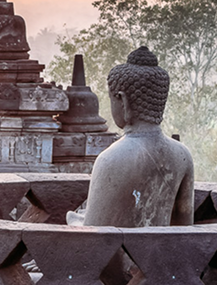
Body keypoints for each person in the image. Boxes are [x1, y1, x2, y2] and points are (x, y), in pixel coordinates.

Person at [75, 46, 194, 227]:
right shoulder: (183, 155)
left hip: (117, 246)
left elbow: (93, 235)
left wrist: (75, 221)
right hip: (163, 246)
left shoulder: (110, 159)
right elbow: (184, 229)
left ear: (123, 101)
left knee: (73, 217)